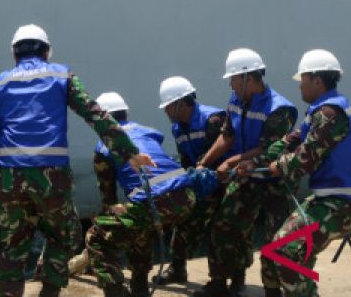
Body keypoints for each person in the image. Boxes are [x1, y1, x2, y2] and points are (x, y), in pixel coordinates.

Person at [0, 25, 151, 297]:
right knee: (62, 235)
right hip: (52, 178)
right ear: (47, 52)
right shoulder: (61, 75)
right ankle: (49, 291)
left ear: (14, 54)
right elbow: (95, 114)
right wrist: (130, 153)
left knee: (9, 245)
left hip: (11, 181)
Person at [243, 50, 351, 297]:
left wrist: (279, 166)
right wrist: (254, 163)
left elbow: (306, 159)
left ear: (316, 80)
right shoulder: (318, 112)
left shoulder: (330, 114)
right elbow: (290, 141)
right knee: (273, 251)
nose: (300, 85)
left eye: (302, 79)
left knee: (286, 250)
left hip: (348, 203)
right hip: (328, 199)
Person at [86, 91, 218, 297]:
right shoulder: (147, 132)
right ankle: (140, 288)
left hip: (156, 201)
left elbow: (108, 198)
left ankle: (115, 291)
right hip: (186, 197)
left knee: (96, 235)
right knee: (140, 225)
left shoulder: (104, 145)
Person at [193, 48, 298, 297]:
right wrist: (204, 163)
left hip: (274, 179)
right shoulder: (236, 100)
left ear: (248, 78)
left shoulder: (279, 109)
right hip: (245, 175)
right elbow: (227, 136)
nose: (230, 83)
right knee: (224, 224)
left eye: (232, 78)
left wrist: (230, 164)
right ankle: (222, 282)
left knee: (276, 240)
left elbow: (268, 149)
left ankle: (276, 290)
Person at [155, 76, 228, 285]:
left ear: (180, 103)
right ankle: (178, 270)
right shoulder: (177, 128)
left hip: (224, 184)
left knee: (222, 231)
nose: (166, 111)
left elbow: (220, 154)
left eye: (168, 106)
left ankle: (225, 281)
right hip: (201, 185)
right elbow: (187, 161)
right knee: (182, 223)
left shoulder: (212, 120)